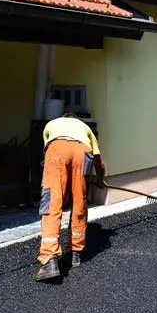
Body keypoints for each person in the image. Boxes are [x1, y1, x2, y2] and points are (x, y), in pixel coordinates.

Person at [34, 113, 106, 281]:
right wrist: (101, 179)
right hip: (83, 152)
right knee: (79, 201)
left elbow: (50, 151)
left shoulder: (51, 125)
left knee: (52, 201)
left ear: (64, 118)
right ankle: (75, 253)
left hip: (56, 149)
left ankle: (50, 259)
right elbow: (98, 161)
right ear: (75, 119)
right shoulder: (85, 128)